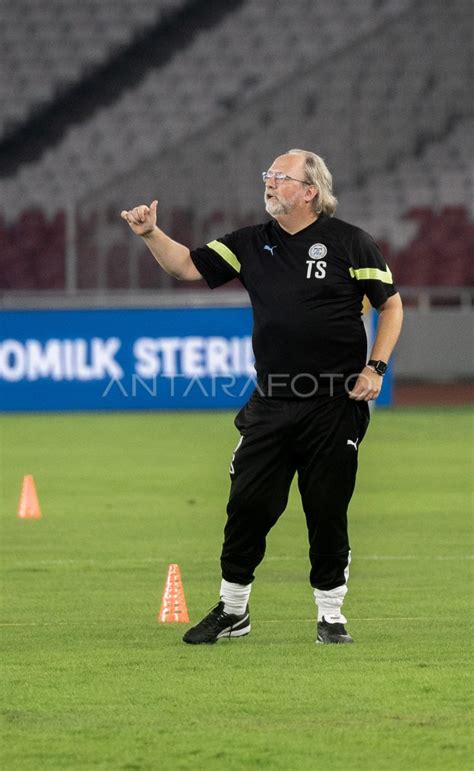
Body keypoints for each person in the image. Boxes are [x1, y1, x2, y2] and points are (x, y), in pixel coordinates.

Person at [121, 149, 403, 645]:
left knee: (326, 510)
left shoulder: (350, 243)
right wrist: (149, 234)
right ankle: (233, 611)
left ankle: (331, 616)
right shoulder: (251, 242)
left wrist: (375, 367)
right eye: (268, 176)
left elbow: (391, 305)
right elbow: (187, 266)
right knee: (247, 507)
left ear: (310, 190)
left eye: (280, 177)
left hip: (334, 404)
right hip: (271, 402)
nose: (269, 183)